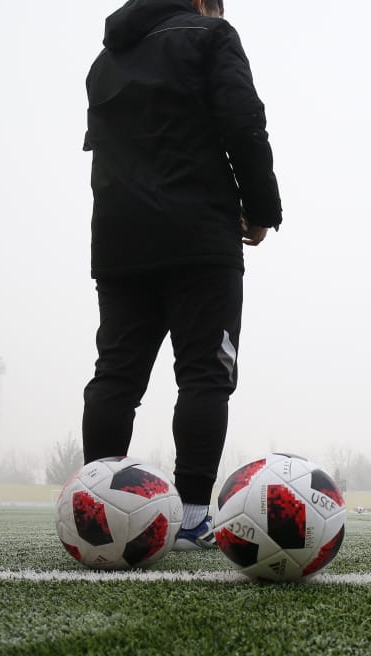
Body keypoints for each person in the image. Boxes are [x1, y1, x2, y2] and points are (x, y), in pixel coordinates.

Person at [81, 0, 281, 549]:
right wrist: (263, 210)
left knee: (116, 376)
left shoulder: (107, 58)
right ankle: (193, 517)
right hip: (198, 235)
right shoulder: (210, 34)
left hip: (119, 236)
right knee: (205, 374)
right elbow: (243, 122)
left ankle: (95, 509)